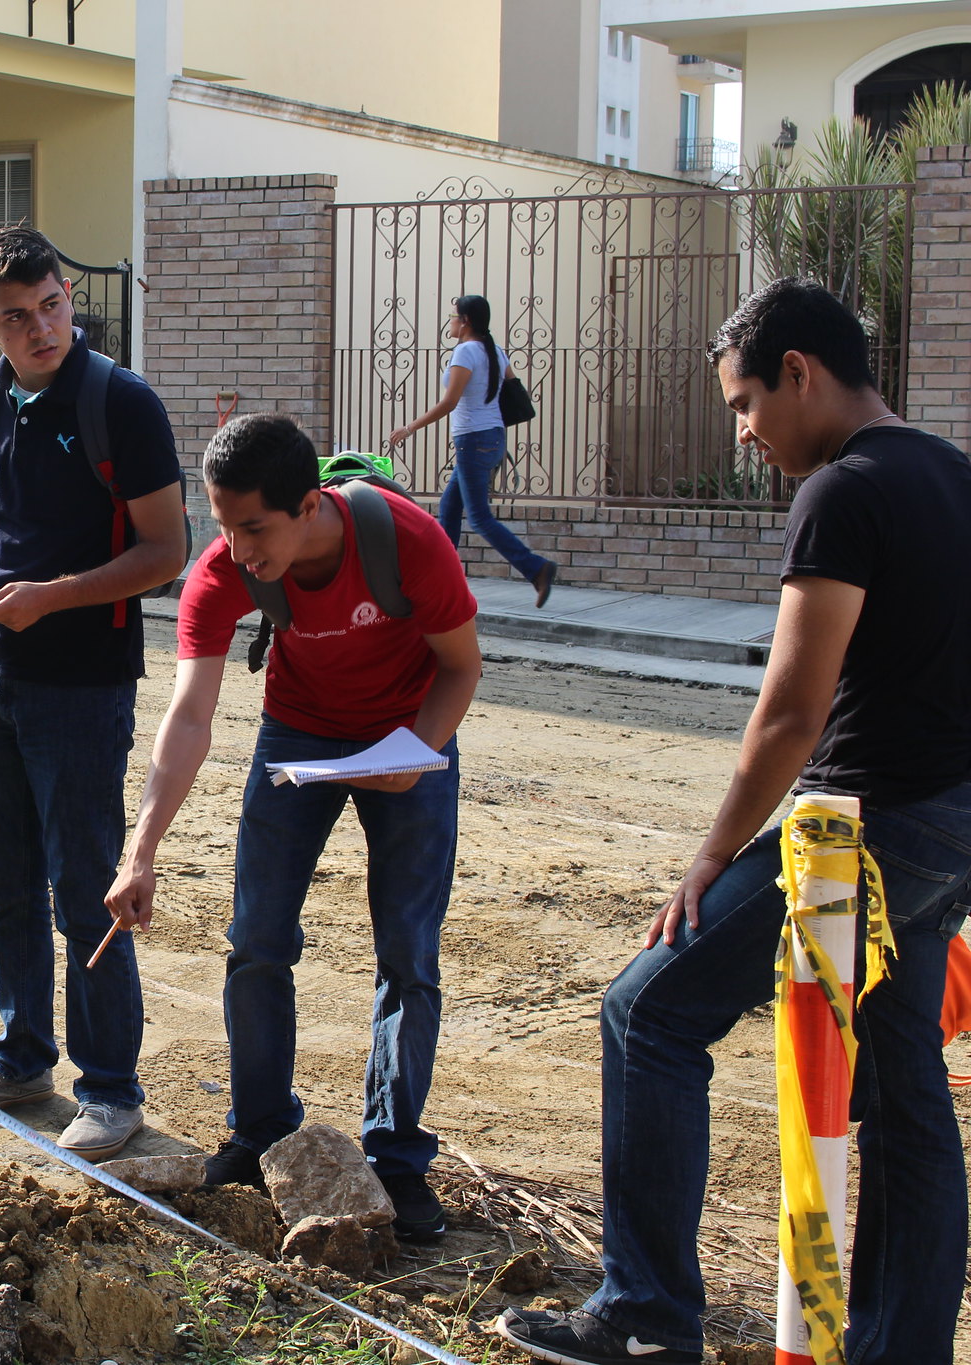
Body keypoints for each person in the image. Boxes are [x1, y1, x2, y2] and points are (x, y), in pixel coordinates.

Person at [497, 277, 971, 1365]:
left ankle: (644, 1318)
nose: (744, 433)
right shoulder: (951, 473)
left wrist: (709, 857)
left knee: (646, 1011)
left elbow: (790, 712)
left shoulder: (842, 491)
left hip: (864, 835)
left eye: (743, 403)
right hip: (947, 824)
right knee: (901, 1088)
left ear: (797, 373)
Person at [105, 413, 481, 1239]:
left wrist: (420, 747)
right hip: (299, 734)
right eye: (222, 523)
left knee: (408, 953)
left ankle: (397, 1158)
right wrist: (141, 852)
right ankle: (259, 1128)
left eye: (254, 527)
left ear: (310, 504)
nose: (237, 549)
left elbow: (462, 665)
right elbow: (190, 715)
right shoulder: (223, 569)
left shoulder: (411, 543)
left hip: (408, 733)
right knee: (258, 938)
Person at [0, 225, 187, 1162]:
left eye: (51, 305)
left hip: (81, 687)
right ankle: (21, 1061)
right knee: (4, 885)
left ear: (67, 295)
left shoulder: (120, 403)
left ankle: (110, 1091)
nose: (41, 328)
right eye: (16, 318)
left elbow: (164, 553)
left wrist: (51, 598)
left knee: (85, 889)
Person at [387, 294, 555, 607]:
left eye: (453, 316)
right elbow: (514, 392)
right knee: (449, 512)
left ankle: (537, 568)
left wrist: (409, 428)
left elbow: (449, 402)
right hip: (491, 439)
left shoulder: (465, 351)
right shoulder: (495, 351)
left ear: (465, 321)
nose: (450, 321)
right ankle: (438, 581)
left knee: (479, 518)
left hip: (473, 441)